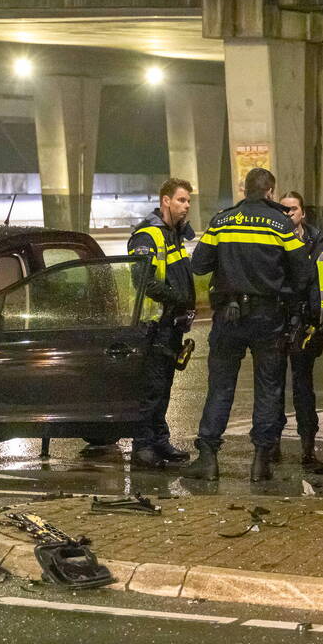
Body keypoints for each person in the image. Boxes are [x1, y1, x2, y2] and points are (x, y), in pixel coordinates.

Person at [182, 168, 310, 482]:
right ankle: (260, 463)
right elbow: (304, 274)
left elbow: (198, 265)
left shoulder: (222, 221)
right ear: (269, 192)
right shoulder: (281, 224)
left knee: (220, 387)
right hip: (268, 317)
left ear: (245, 190)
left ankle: (209, 458)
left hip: (228, 316)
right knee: (268, 388)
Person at [127, 178, 197, 468]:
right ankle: (143, 447)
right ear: (166, 200)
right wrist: (177, 297)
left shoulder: (173, 234)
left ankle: (159, 439)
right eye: (181, 200)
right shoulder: (149, 235)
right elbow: (143, 282)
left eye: (189, 201)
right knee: (151, 389)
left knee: (164, 387)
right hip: (154, 326)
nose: (187, 205)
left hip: (171, 325)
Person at [270, 191, 323, 474]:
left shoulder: (318, 241)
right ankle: (270, 446)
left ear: (303, 213)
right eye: (284, 209)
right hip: (277, 321)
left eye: (293, 209)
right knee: (272, 387)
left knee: (303, 387)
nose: (289, 214)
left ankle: (308, 448)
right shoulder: (272, 238)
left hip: (307, 325)